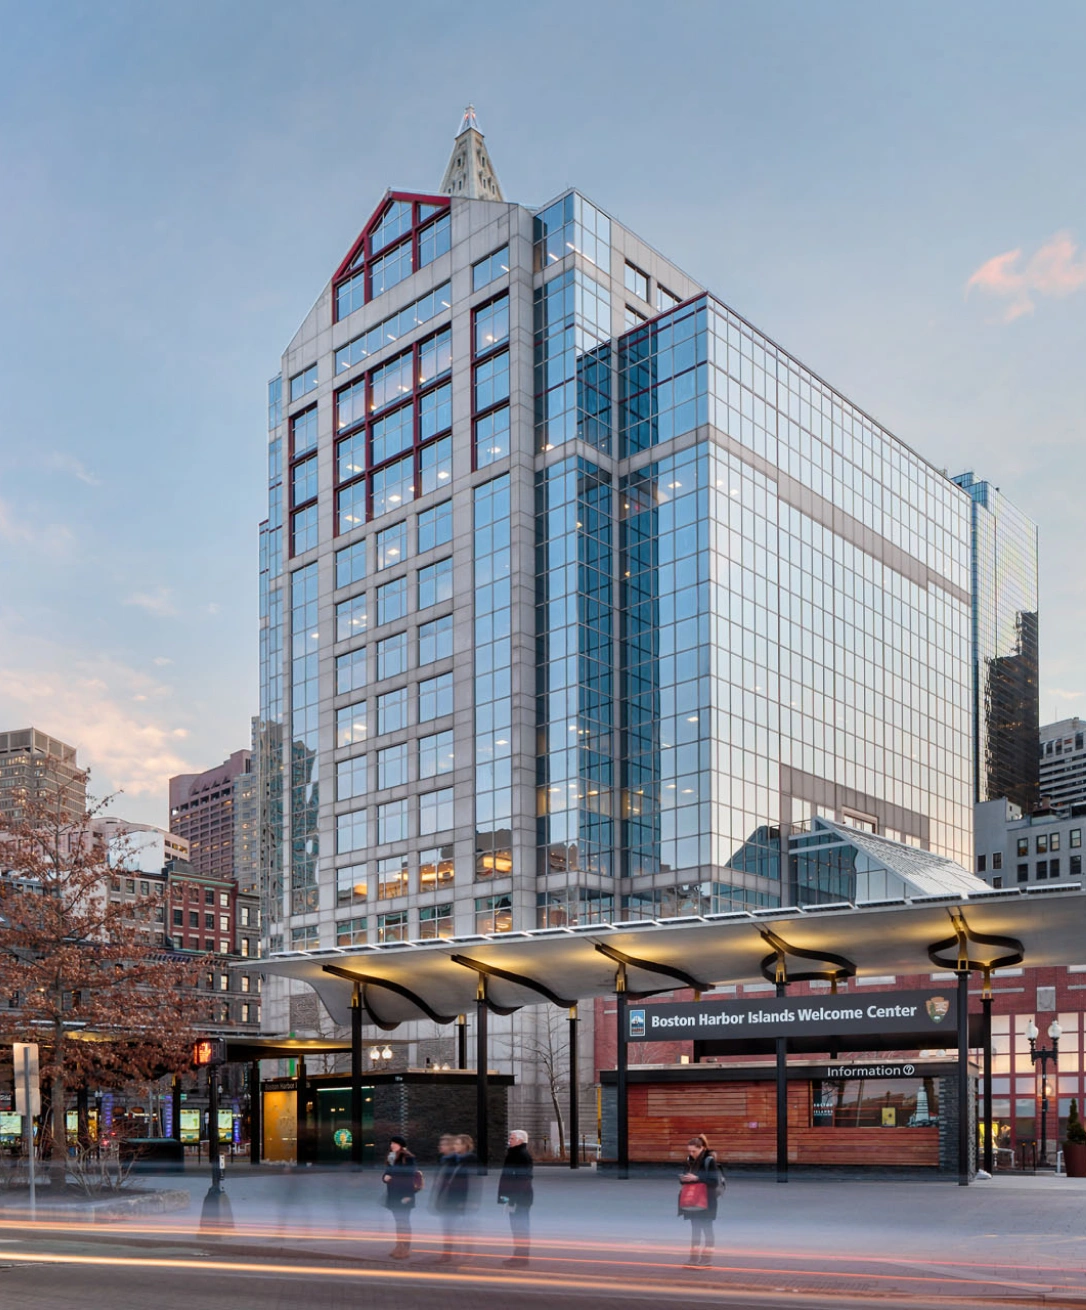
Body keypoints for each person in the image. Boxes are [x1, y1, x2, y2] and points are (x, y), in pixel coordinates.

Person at [678, 1133, 721, 1267]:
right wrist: (684, 1178)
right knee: (695, 1229)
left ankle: (707, 1259)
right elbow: (685, 1177)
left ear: (701, 1148)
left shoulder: (709, 1160)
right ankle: (693, 1258)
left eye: (694, 1151)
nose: (691, 1154)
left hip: (707, 1200)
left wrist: (697, 1178)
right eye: (689, 1151)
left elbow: (714, 1181)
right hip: (693, 1200)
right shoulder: (689, 1160)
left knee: (707, 1228)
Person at [432, 1133, 476, 1262]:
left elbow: (472, 1183)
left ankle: (467, 1252)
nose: (454, 1146)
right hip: (448, 1199)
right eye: (454, 1143)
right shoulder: (452, 1160)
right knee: (448, 1226)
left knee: (464, 1228)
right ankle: (448, 1253)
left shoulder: (470, 1161)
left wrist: (470, 1201)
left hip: (462, 1200)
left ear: (465, 1145)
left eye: (457, 1144)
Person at [496, 1128, 533, 1266]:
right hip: (516, 1197)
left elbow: (523, 1180)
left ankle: (522, 1257)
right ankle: (519, 1255)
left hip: (519, 1199)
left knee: (520, 1226)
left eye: (512, 1138)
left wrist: (513, 1199)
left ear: (520, 1140)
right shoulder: (514, 1155)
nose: (509, 1140)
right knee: (517, 1226)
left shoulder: (521, 1156)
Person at [381, 1135, 418, 1259]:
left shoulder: (408, 1158)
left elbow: (409, 1177)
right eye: (391, 1143)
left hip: (404, 1195)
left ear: (401, 1145)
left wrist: (408, 1196)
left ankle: (405, 1248)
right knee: (399, 1222)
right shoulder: (392, 1157)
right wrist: (385, 1178)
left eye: (395, 1143)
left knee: (404, 1222)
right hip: (394, 1194)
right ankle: (399, 1246)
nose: (392, 1145)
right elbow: (387, 1173)